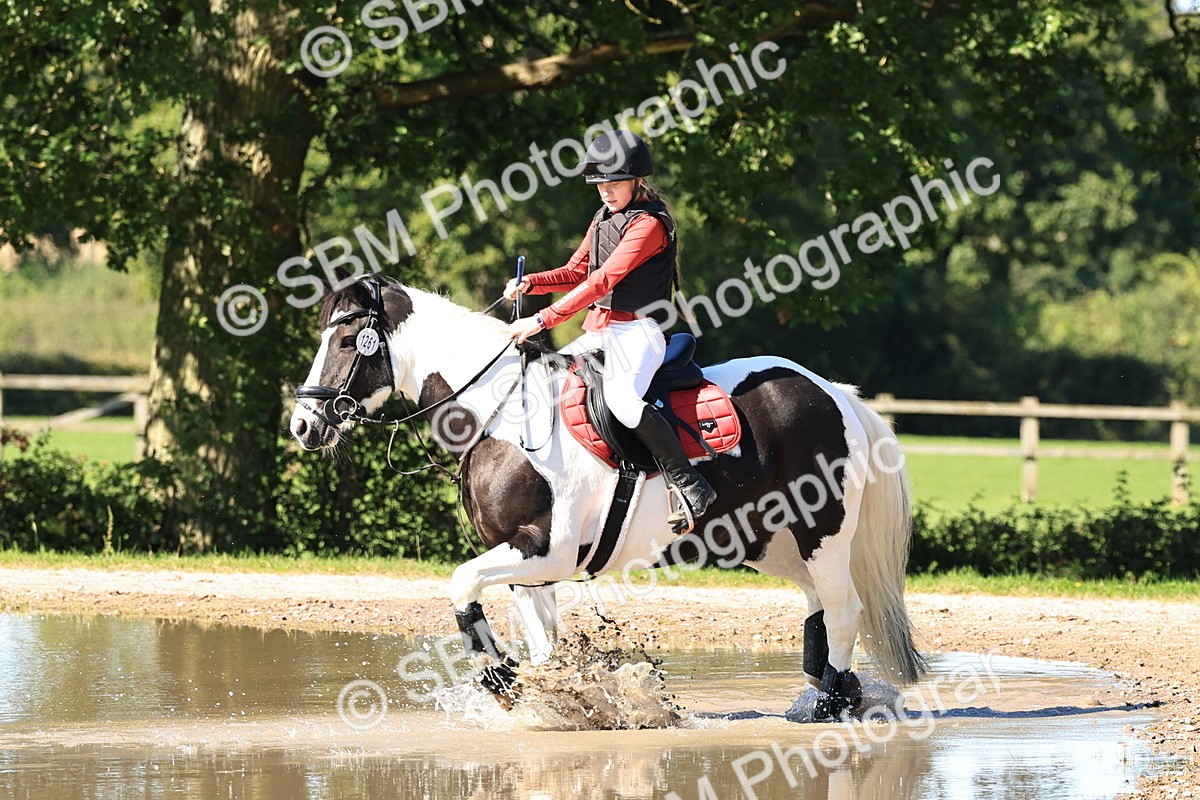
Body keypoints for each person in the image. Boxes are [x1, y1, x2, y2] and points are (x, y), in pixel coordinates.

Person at [506, 130, 716, 533]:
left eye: (614, 183)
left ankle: (690, 483)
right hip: (600, 332)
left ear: (636, 180)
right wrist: (531, 282)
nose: (605, 192)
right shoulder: (604, 217)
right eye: (600, 184)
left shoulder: (650, 224)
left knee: (621, 398)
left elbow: (602, 282)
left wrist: (542, 319)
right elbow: (576, 271)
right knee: (546, 382)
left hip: (637, 333)